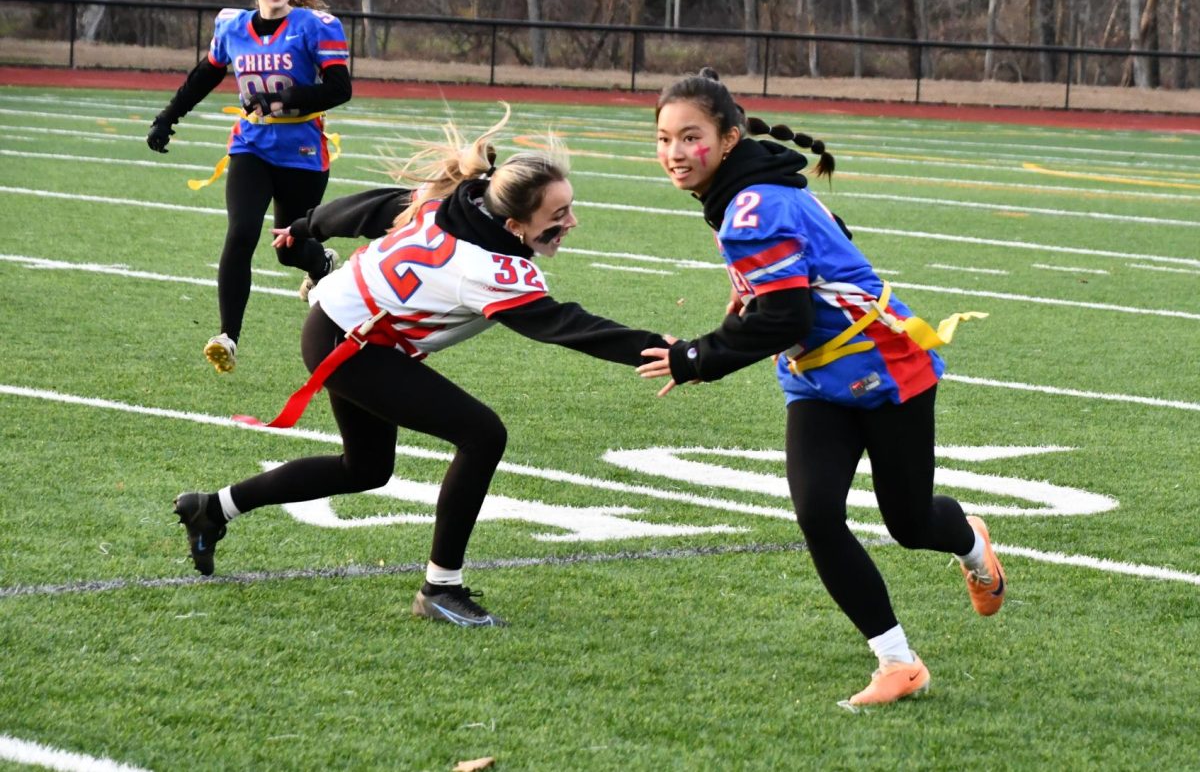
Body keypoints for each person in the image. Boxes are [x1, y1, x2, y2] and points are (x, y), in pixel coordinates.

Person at [173, 106, 670, 627]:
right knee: (483, 435)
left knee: (365, 468)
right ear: (513, 224)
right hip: (352, 341)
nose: (571, 222)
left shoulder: (453, 202)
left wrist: (303, 227)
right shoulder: (486, 268)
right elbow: (566, 325)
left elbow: (370, 208)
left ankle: (214, 508)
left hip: (340, 324)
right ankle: (441, 588)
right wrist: (661, 349)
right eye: (557, 215)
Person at [637, 68, 1004, 706]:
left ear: (727, 139)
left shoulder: (752, 203)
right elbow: (825, 243)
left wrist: (697, 356)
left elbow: (787, 316)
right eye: (664, 138)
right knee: (817, 514)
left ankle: (971, 542)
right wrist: (748, 299)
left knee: (910, 524)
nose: (673, 153)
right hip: (815, 377)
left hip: (886, 368)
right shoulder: (752, 188)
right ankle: (897, 662)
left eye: (688, 137)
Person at [146, 0, 352, 373]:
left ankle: (321, 262)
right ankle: (228, 336)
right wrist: (168, 116)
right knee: (241, 231)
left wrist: (285, 98)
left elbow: (339, 88)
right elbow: (206, 74)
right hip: (251, 146)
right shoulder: (232, 26)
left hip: (302, 152)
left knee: (290, 250)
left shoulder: (315, 25)